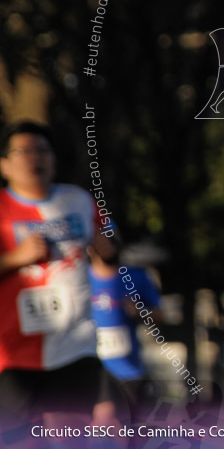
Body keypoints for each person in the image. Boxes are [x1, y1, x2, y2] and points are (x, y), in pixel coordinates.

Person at [0, 121, 106, 422]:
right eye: (24, 151)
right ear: (4, 165)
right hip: (11, 355)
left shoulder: (79, 200)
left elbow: (111, 245)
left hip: (76, 345)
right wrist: (16, 258)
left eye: (42, 150)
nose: (35, 158)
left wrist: (109, 251)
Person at [87, 226, 162, 421]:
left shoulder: (135, 277)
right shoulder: (79, 279)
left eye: (113, 242)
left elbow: (159, 313)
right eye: (102, 242)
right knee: (102, 425)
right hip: (92, 368)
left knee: (134, 428)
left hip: (129, 370)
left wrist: (140, 311)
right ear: (90, 247)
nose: (108, 247)